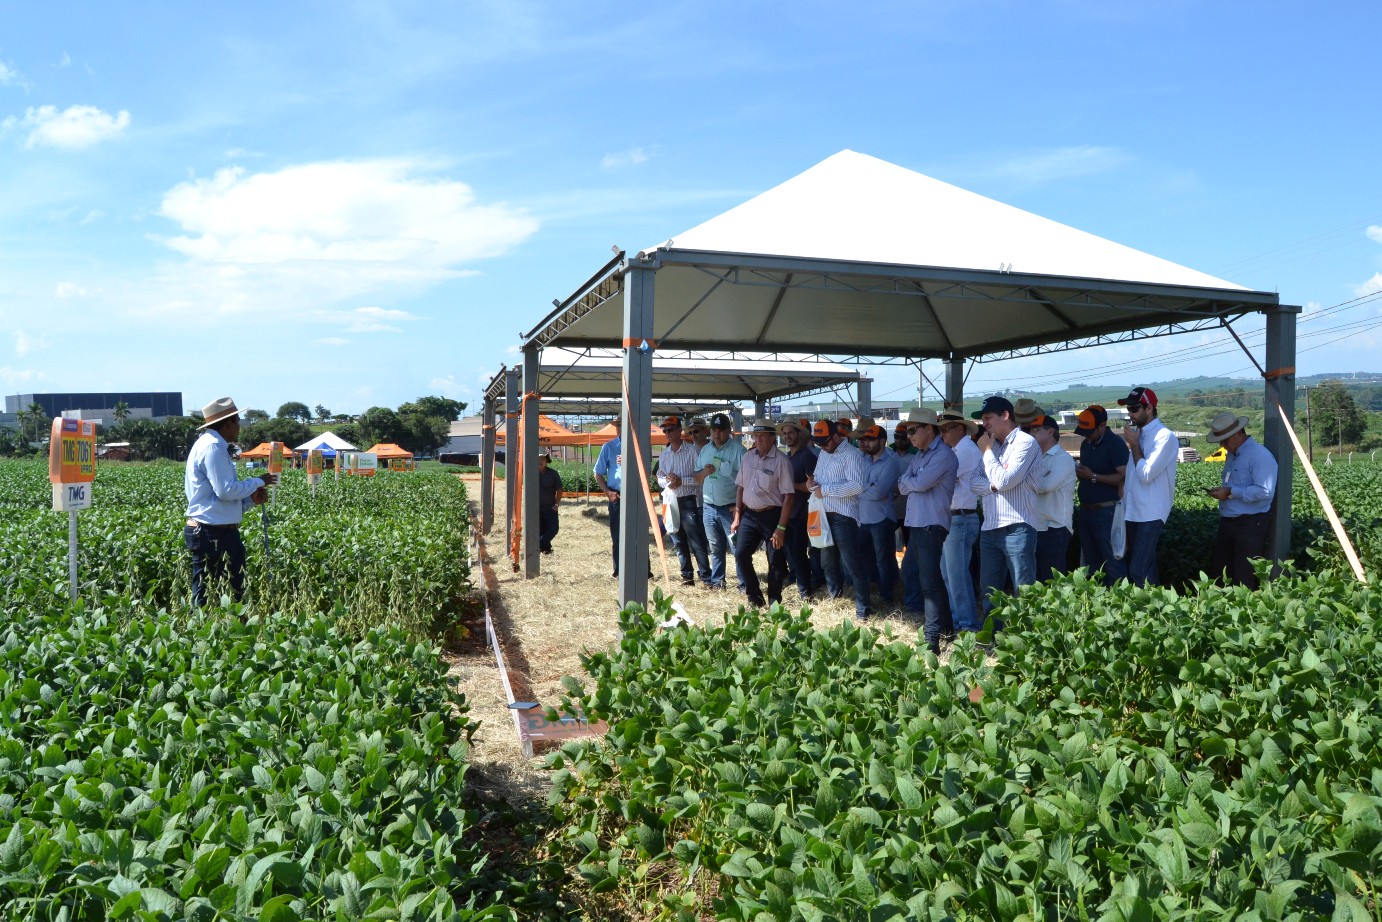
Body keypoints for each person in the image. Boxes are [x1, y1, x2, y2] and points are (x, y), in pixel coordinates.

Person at [184, 396, 274, 606]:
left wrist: (250, 499)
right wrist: (257, 481)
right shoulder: (213, 447)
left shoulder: (209, 445)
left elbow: (218, 497)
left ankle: (224, 633)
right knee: (211, 593)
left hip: (217, 529)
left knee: (226, 590)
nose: (239, 426)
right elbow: (225, 491)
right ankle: (206, 633)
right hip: (211, 532)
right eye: (237, 421)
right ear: (227, 424)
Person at [972, 395, 1041, 625]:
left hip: (1017, 527)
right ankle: (994, 641)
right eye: (982, 419)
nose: (984, 424)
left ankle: (1027, 642)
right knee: (989, 592)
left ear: (1005, 415)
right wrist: (993, 483)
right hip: (990, 527)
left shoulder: (1025, 443)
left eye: (988, 418)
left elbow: (1004, 481)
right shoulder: (992, 447)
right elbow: (974, 482)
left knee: (1024, 591)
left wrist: (987, 455)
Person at [896, 409, 958, 653]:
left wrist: (913, 482)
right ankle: (947, 630)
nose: (909, 436)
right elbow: (903, 484)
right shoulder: (921, 456)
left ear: (928, 429)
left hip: (931, 524)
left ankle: (932, 640)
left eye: (913, 430)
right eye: (907, 431)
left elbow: (916, 483)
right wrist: (914, 482)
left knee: (929, 582)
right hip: (920, 523)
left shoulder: (943, 455)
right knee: (924, 577)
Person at [1205, 411, 1278, 588]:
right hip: (1229, 522)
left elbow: (1265, 491)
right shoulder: (1233, 454)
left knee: (1243, 576)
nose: (1222, 445)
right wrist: (1225, 492)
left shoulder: (1259, 456)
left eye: (1225, 440)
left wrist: (1229, 492)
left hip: (1250, 524)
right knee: (1222, 573)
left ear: (1239, 433)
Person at [807, 419, 871, 619]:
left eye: (825, 442)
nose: (823, 447)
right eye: (819, 444)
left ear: (836, 436)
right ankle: (835, 596)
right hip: (824, 514)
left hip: (843, 516)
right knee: (827, 561)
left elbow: (857, 486)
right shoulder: (824, 454)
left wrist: (824, 490)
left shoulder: (852, 455)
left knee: (852, 563)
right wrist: (812, 484)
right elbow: (818, 477)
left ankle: (863, 608)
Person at [1117, 386, 1177, 587]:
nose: (1130, 413)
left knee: (1138, 569)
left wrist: (1134, 445)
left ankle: (1148, 611)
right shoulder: (1138, 434)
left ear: (1149, 408)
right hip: (1134, 511)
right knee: (1146, 567)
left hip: (1151, 512)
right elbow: (1132, 475)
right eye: (1129, 409)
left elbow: (1146, 475)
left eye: (1134, 409)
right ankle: (1157, 611)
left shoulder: (1164, 436)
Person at [733, 421, 796, 609]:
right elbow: (740, 487)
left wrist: (781, 527)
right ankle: (754, 596)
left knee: (775, 560)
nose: (757, 439)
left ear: (772, 438)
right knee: (741, 554)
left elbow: (789, 497)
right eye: (755, 436)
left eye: (762, 436)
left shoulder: (781, 461)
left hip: (772, 515)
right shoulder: (748, 457)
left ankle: (774, 601)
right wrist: (738, 515)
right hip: (750, 515)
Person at [1072, 405, 1128, 584]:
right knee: (1091, 561)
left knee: (1112, 560)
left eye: (1090, 431)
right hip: (1086, 510)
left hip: (1107, 511)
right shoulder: (1086, 444)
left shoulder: (1115, 444)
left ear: (1102, 425)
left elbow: (1123, 476)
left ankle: (1119, 600)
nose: (1086, 435)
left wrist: (1093, 476)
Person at [938, 412, 983, 631]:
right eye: (941, 429)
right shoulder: (959, 450)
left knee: (956, 576)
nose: (943, 433)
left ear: (960, 429)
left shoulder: (966, 451)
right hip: (955, 518)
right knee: (950, 575)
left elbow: (940, 478)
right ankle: (960, 623)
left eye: (947, 429)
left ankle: (967, 626)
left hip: (961, 517)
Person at [656, 415, 711, 587]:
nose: (667, 433)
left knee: (696, 541)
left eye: (670, 429)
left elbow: (701, 476)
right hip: (669, 500)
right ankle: (687, 576)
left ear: (680, 430)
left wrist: (681, 481)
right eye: (665, 430)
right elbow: (659, 478)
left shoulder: (693, 451)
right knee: (677, 541)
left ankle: (706, 577)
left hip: (688, 500)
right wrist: (668, 481)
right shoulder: (664, 454)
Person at [694, 413, 745, 590]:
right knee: (715, 547)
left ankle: (744, 584)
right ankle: (718, 582)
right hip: (709, 506)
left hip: (729, 507)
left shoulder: (738, 451)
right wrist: (703, 474)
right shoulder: (705, 451)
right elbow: (697, 478)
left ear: (729, 431)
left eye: (721, 431)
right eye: (714, 430)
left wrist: (739, 507)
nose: (717, 434)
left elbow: (745, 482)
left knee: (737, 547)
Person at [1024, 415, 1076, 580]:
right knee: (1038, 579)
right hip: (1037, 525)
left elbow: (1046, 486)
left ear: (1051, 431)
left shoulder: (1063, 459)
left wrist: (1025, 482)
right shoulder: (1034, 458)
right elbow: (1040, 484)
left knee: (1051, 580)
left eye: (1037, 429)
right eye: (1031, 429)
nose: (1032, 433)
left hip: (1055, 527)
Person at [855, 424, 902, 606]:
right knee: (865, 556)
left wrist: (862, 490)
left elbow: (878, 491)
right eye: (865, 439)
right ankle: (873, 586)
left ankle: (886, 595)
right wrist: (869, 489)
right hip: (865, 518)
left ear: (882, 441)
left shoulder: (890, 462)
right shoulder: (864, 460)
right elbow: (865, 488)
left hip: (882, 518)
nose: (866, 443)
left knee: (883, 559)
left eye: (871, 439)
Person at [778, 417, 818, 599]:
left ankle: (805, 589)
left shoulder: (808, 456)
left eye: (790, 433)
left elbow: (812, 486)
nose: (787, 436)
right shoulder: (788, 456)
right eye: (784, 433)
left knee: (799, 552)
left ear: (799, 434)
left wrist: (789, 485)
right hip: (789, 512)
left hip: (803, 512)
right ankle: (797, 581)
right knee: (790, 551)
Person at [593, 416, 624, 577]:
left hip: (634, 496)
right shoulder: (609, 447)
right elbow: (598, 473)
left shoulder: (639, 446)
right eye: (618, 425)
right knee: (617, 536)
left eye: (622, 425)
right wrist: (609, 493)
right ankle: (618, 570)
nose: (620, 428)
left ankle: (644, 571)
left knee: (639, 535)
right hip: (616, 495)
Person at [536, 452, 564, 555]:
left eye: (543, 459)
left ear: (547, 462)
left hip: (550, 508)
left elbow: (559, 489)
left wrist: (556, 504)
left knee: (553, 529)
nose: (540, 461)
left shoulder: (553, 474)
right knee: (540, 530)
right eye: (538, 459)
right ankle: (546, 550)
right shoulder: (531, 473)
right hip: (536, 509)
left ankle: (538, 545)